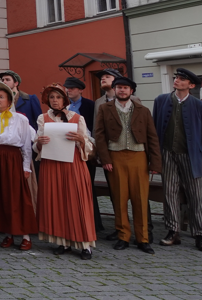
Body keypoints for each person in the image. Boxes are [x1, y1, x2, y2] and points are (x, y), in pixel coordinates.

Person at [94, 76, 161, 254]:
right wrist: (106, 159)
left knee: (140, 198)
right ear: (114, 90)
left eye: (125, 88)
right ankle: (123, 236)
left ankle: (143, 238)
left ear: (131, 91)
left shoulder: (143, 110)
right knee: (119, 198)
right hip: (115, 157)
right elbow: (99, 136)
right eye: (119, 88)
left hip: (139, 156)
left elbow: (152, 137)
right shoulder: (104, 108)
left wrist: (155, 162)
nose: (122, 90)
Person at [34, 83, 97, 259]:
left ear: (64, 99)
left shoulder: (77, 118)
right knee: (57, 202)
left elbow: (89, 147)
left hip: (73, 164)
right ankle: (62, 241)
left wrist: (81, 140)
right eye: (52, 97)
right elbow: (36, 144)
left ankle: (85, 244)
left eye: (58, 97)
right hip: (51, 164)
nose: (55, 101)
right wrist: (40, 142)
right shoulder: (43, 118)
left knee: (78, 202)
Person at [0, 81, 38, 250]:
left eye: (1, 97)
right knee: (0, 196)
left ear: (9, 101)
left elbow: (26, 144)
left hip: (12, 159)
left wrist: (26, 166)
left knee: (17, 197)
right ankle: (8, 233)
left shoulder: (21, 119)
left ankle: (25, 235)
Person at [152, 68, 202, 251]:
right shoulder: (161, 100)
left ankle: (199, 233)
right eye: (176, 78)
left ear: (191, 85)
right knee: (169, 192)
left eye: (182, 79)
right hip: (167, 153)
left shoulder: (198, 105)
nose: (177, 80)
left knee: (196, 195)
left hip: (192, 156)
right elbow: (155, 127)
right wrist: (155, 155)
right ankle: (173, 231)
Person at [64, 77, 103, 234]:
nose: (69, 90)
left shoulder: (90, 105)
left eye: (72, 88)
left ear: (80, 90)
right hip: (71, 150)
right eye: (67, 88)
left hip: (87, 148)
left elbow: (95, 126)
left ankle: (94, 222)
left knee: (88, 186)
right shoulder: (66, 107)